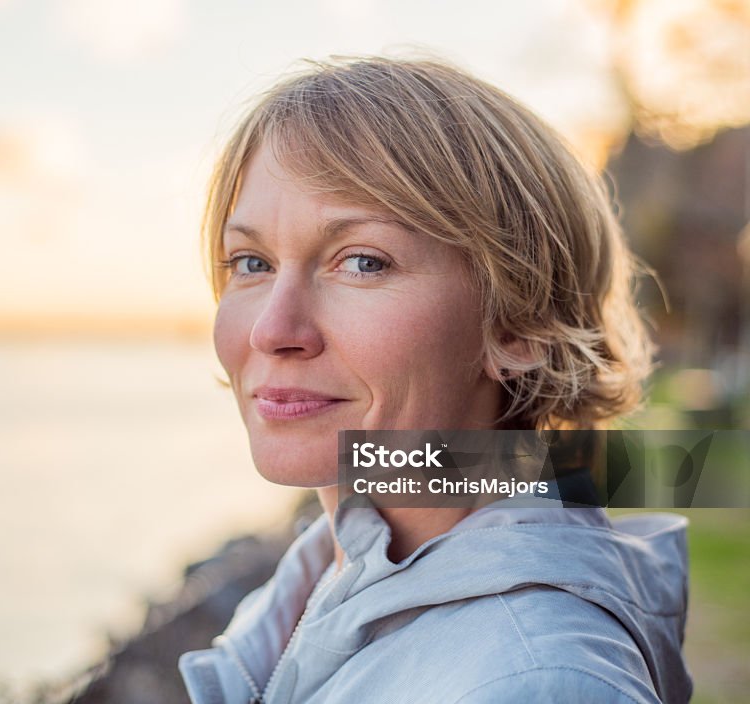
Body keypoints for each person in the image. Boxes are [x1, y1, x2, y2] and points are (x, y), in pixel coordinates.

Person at [179, 57, 692, 703]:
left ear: (519, 324)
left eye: (363, 262)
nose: (271, 330)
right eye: (251, 262)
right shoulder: (317, 580)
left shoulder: (535, 681)